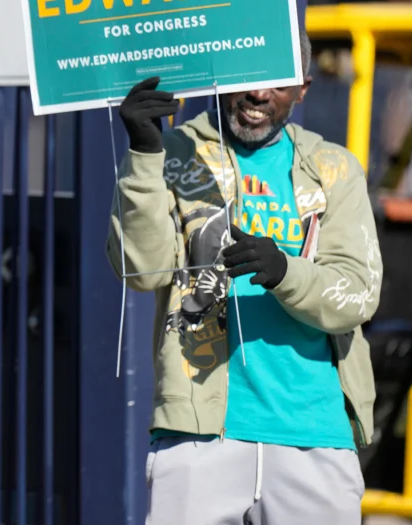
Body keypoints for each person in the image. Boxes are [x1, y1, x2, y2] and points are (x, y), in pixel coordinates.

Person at [107, 30, 380, 524]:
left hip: (314, 436)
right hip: (197, 434)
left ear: (304, 89)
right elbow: (142, 269)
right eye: (250, 76)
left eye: (279, 82)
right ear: (223, 75)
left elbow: (359, 296)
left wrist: (285, 272)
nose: (259, 94)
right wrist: (145, 154)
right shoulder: (170, 152)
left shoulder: (335, 168)